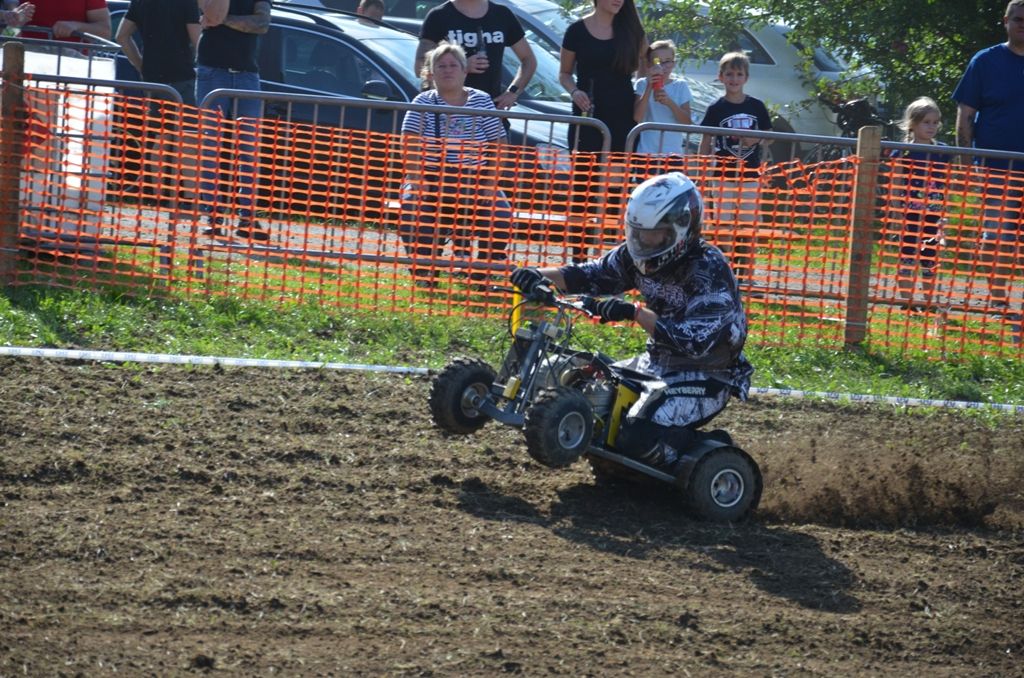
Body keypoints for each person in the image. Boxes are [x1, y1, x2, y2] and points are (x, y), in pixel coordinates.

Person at [510, 172, 752, 471]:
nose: (644, 241)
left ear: (681, 227)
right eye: (638, 232)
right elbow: (592, 274)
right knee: (585, 393)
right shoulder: (636, 256)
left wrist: (634, 312)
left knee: (636, 435)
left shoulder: (709, 271)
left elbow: (694, 342)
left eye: (655, 233)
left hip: (707, 375)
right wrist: (536, 275)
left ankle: (709, 451)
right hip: (656, 362)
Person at [400, 42, 512, 287]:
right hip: (430, 177)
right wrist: (417, 179)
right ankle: (424, 271)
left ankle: (482, 271)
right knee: (412, 209)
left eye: (453, 65)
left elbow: (499, 143)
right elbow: (408, 143)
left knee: (501, 215)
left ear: (464, 70)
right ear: (430, 73)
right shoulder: (421, 101)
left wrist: (490, 183)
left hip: (475, 179)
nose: (448, 70)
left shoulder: (481, 100)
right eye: (441, 66)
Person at [953, 0, 1024, 311]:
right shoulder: (985, 61)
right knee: (997, 235)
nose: (1023, 25)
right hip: (997, 167)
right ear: (1006, 21)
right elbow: (965, 116)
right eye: (1018, 19)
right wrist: (966, 163)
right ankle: (998, 299)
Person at [195, 0, 271, 242]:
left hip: (247, 75)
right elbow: (208, 14)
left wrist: (224, 21)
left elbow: (261, 23)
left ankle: (247, 218)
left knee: (249, 150)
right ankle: (212, 217)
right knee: (210, 148)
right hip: (211, 72)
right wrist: (229, 21)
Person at [698, 51, 772, 284]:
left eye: (739, 74)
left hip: (750, 174)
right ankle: (725, 273)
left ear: (746, 78)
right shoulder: (715, 108)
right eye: (729, 74)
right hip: (723, 175)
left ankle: (747, 274)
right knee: (724, 225)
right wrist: (702, 170)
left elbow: (770, 135)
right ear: (721, 77)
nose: (734, 79)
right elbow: (706, 140)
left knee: (748, 225)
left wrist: (755, 138)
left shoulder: (756, 106)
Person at [415, 0, 536, 113]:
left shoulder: (502, 14)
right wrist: (462, 66)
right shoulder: (438, 16)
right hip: (447, 113)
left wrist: (512, 92)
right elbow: (419, 67)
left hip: (490, 112)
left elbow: (528, 60)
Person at [559, 0, 646, 153]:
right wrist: (574, 92)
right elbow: (564, 74)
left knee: (617, 168)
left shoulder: (632, 30)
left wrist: (641, 93)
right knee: (584, 168)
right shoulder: (575, 31)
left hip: (623, 117)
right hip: (587, 115)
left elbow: (650, 60)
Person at [888, 97, 948, 310]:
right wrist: (895, 211)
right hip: (909, 213)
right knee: (907, 254)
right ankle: (907, 301)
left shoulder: (943, 151)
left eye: (935, 122)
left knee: (929, 255)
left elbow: (948, 182)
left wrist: (946, 211)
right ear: (913, 124)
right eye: (926, 122)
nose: (931, 127)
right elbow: (895, 182)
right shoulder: (902, 151)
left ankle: (929, 301)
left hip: (933, 213)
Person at [115, 0, 201, 105]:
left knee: (155, 115)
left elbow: (121, 36)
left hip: (152, 79)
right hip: (182, 78)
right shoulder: (187, 2)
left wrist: (141, 67)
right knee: (188, 116)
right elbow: (198, 41)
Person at [633, 39, 692, 155]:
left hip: (672, 153)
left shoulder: (680, 85)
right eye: (658, 62)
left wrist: (669, 102)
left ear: (674, 63)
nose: (662, 67)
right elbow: (637, 117)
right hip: (646, 152)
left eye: (668, 61)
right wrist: (649, 86)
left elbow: (687, 122)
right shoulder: (642, 84)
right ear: (649, 64)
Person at [4, 0, 109, 40]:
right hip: (29, 62)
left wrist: (76, 26)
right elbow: (9, 32)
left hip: (74, 66)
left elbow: (105, 32)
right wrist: (15, 19)